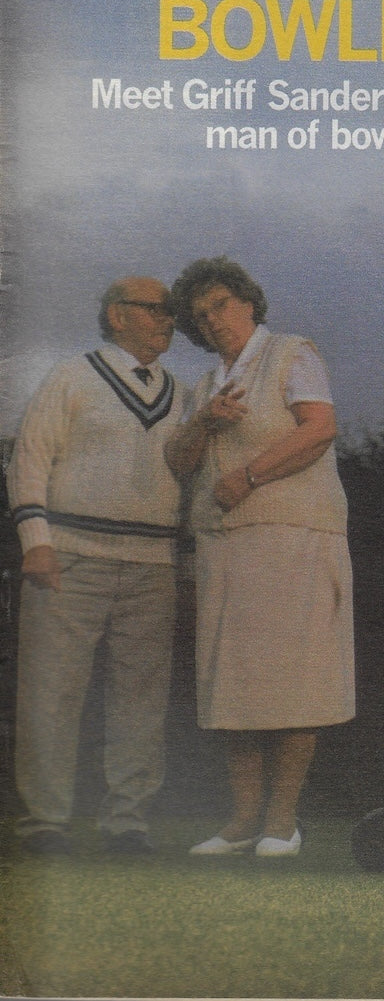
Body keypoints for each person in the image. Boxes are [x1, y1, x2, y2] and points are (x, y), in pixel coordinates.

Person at [164, 258, 354, 860]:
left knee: (295, 682)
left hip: (295, 535)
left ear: (248, 302)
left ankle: (282, 822)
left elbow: (319, 429)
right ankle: (244, 819)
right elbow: (179, 462)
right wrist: (204, 421)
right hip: (224, 546)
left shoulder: (293, 354)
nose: (213, 321)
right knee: (234, 686)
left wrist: (248, 476)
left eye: (221, 305)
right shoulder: (204, 387)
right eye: (200, 316)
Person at [6, 277, 184, 856]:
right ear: (117, 315)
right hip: (69, 556)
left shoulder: (182, 393)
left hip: (153, 564)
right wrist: (36, 540)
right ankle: (44, 823)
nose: (168, 319)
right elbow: (29, 458)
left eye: (170, 311)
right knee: (51, 691)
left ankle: (127, 824)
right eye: (155, 309)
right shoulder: (71, 375)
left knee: (142, 700)